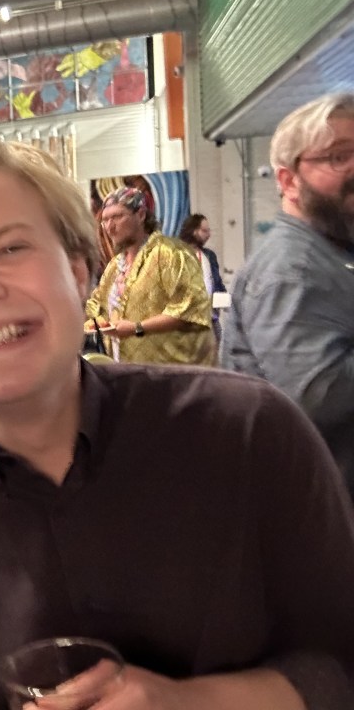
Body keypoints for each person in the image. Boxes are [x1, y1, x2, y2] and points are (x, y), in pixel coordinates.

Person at [0, 134, 354, 710]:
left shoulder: (248, 432)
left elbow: (340, 663)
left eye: (10, 249)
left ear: (80, 269)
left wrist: (185, 702)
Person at [221, 92, 354, 496]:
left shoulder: (330, 250)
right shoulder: (290, 269)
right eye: (338, 156)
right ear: (288, 180)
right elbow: (320, 395)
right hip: (324, 507)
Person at [85, 187, 215, 365]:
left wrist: (137, 328)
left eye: (117, 217)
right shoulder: (115, 266)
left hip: (170, 368)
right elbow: (97, 306)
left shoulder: (171, 253)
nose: (109, 227)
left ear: (140, 215)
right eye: (105, 220)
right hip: (126, 367)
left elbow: (191, 308)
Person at [179, 212, 227, 342]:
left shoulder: (209, 256)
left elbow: (217, 284)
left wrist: (226, 300)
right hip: (188, 323)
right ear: (193, 231)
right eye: (205, 231)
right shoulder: (178, 256)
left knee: (220, 349)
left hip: (211, 319)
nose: (209, 235)